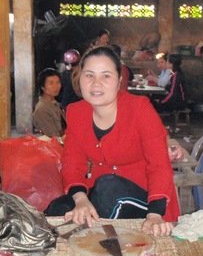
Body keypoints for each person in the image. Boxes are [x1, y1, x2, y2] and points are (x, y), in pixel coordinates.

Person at [45, 46, 179, 236]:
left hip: (147, 200)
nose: (96, 83)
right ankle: (78, 254)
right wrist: (81, 199)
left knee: (108, 188)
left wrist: (155, 214)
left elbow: (159, 164)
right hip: (102, 194)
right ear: (79, 78)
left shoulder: (139, 109)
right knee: (59, 208)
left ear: (119, 81)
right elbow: (73, 163)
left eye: (106, 76)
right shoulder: (76, 112)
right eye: (89, 75)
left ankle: (99, 246)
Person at [33, 68, 66, 138]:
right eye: (51, 83)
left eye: (58, 82)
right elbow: (53, 137)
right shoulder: (42, 109)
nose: (56, 86)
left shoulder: (55, 104)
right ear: (42, 87)